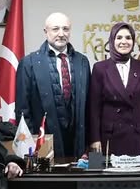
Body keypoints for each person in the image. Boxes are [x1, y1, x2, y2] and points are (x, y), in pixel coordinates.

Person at [15, 11, 91, 158]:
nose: (61, 34)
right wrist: (31, 148)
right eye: (55, 29)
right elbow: (23, 111)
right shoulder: (29, 63)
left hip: (78, 143)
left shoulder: (82, 62)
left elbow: (89, 106)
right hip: (43, 143)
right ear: (46, 31)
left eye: (66, 29)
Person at [88, 21, 140, 157]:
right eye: (119, 38)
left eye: (128, 38)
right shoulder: (100, 68)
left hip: (137, 135)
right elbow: (94, 108)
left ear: (133, 41)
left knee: (138, 177)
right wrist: (94, 139)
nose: (124, 41)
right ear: (112, 40)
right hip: (110, 136)